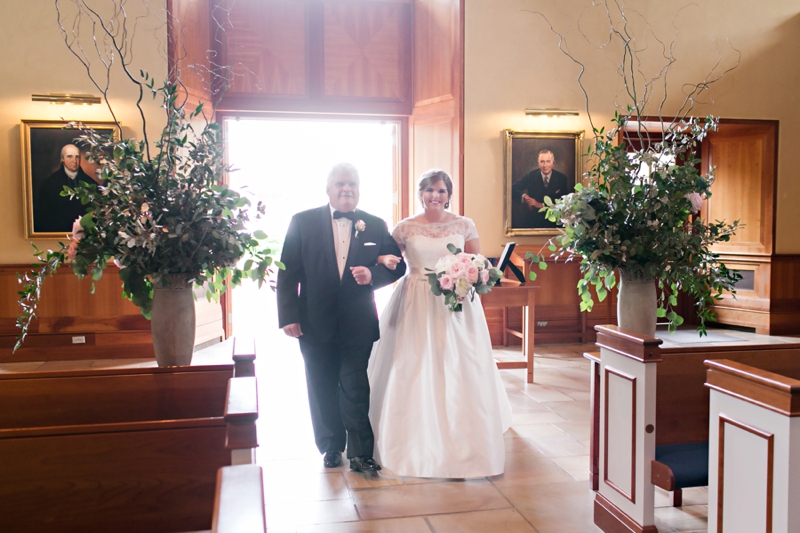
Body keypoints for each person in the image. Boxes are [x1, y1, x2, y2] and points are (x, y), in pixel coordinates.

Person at [368, 169, 512, 478]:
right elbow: (389, 259)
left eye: (442, 191)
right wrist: (382, 261)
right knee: (413, 362)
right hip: (415, 299)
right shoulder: (405, 227)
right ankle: (411, 431)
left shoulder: (463, 224)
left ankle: (465, 431)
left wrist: (470, 273)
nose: (436, 195)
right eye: (431, 190)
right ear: (421, 193)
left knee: (459, 363)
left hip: (456, 301)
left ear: (449, 195)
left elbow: (478, 262)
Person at [277, 162, 406, 473]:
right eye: (340, 184)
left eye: (352, 184)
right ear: (328, 189)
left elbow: (398, 265)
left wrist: (373, 275)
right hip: (312, 321)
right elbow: (287, 274)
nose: (347, 189)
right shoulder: (302, 221)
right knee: (320, 384)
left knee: (355, 386)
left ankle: (361, 453)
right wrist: (288, 317)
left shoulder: (374, 225)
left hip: (357, 323)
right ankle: (331, 446)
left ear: (358, 190)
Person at [35, 144, 96, 233]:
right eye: (69, 157)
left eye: (77, 157)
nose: (74, 161)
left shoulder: (91, 184)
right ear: (62, 159)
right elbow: (45, 217)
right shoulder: (48, 184)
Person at [511, 148, 568, 228]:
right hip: (533, 221)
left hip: (554, 223)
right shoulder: (530, 176)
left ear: (553, 163)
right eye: (542, 162)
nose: (545, 165)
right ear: (538, 163)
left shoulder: (561, 178)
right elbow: (513, 188)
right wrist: (524, 196)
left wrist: (540, 205)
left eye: (548, 161)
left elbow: (563, 202)